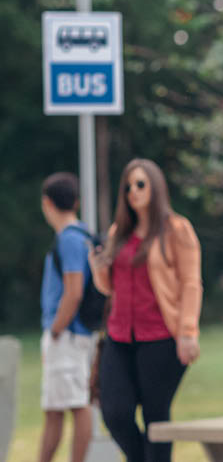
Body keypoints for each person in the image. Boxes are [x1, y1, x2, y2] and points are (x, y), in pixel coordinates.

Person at [87, 158, 202, 462]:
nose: (133, 192)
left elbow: (191, 283)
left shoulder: (177, 230)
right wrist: (98, 269)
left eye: (140, 184)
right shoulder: (118, 233)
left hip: (162, 337)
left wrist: (188, 332)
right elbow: (109, 287)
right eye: (127, 187)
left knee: (156, 416)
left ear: (156, 187)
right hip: (119, 337)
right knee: (114, 413)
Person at [37, 172, 94, 462]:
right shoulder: (82, 235)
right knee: (55, 407)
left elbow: (73, 292)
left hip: (67, 333)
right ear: (76, 201)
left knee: (76, 403)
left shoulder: (69, 239)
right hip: (73, 332)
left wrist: (57, 329)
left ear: (47, 203)